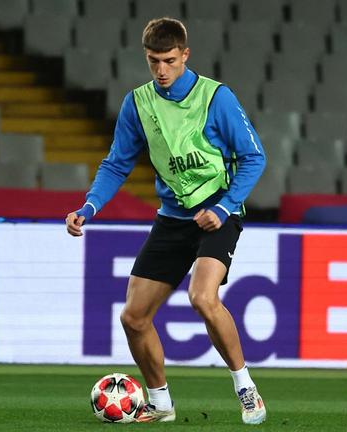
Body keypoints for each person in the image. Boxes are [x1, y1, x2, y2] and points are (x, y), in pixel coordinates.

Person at [66, 17, 267, 424]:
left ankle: (246, 388)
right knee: (133, 317)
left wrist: (225, 207)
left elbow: (254, 157)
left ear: (185, 55)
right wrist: (88, 207)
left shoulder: (216, 98)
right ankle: (160, 403)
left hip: (217, 213)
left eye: (170, 61)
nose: (161, 70)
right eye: (154, 61)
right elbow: (116, 163)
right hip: (173, 217)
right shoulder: (137, 103)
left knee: (202, 298)